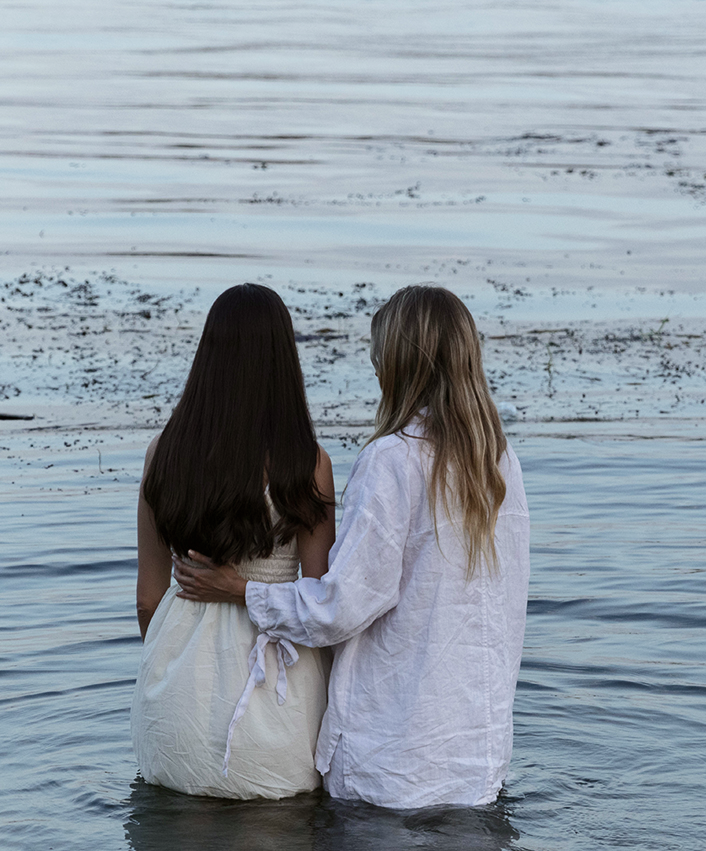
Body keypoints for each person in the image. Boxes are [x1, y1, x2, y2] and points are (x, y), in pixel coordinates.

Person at [174, 284, 529, 809]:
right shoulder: (499, 465)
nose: (375, 365)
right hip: (476, 758)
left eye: (380, 353)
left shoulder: (393, 459)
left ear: (402, 362)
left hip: (392, 763)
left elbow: (341, 606)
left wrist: (240, 589)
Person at [131, 283, 336, 799]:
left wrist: (172, 665)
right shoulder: (306, 462)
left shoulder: (163, 452)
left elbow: (147, 600)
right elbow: (321, 600)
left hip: (175, 697)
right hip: (273, 702)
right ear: (282, 359)